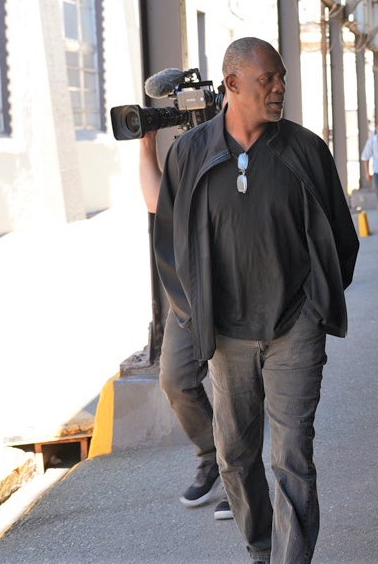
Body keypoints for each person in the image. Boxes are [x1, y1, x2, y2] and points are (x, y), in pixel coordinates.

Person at [154, 37, 360, 564]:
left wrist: (316, 306)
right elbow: (171, 243)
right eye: (267, 79)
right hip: (228, 335)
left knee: (293, 456)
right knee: (235, 455)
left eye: (282, 77)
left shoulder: (305, 149)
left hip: (295, 329)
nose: (279, 88)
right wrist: (194, 314)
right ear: (232, 85)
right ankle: (262, 547)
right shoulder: (191, 151)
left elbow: (341, 237)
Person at [139, 130, 232, 522]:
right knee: (175, 378)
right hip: (187, 289)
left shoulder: (233, 138)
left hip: (233, 283)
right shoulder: (184, 149)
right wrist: (146, 144)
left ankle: (240, 477)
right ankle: (212, 457)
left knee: (239, 385)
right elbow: (157, 202)